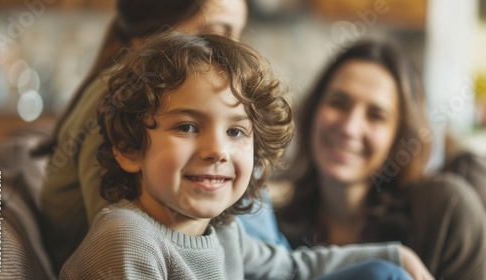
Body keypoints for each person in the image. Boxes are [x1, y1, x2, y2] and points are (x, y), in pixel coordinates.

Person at [59, 32, 432, 280]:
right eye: (187, 127)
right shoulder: (127, 240)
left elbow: (293, 269)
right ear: (129, 148)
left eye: (236, 132)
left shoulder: (224, 233)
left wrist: (397, 255)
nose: (217, 150)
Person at [33, 0, 288, 273]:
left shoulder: (223, 232)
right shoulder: (124, 100)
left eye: (237, 34)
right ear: (149, 35)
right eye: (215, 33)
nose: (229, 50)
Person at [276, 39, 486, 279]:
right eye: (338, 103)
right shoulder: (274, 228)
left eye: (376, 116)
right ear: (313, 111)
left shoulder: (445, 213)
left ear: (399, 138)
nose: (349, 128)